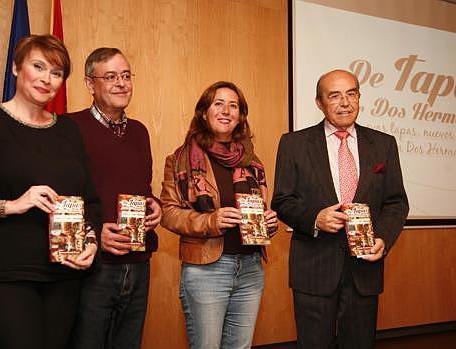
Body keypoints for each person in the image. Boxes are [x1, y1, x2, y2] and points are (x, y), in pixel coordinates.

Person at [0, 35, 100, 349]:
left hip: (65, 273)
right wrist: (13, 205)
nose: (46, 78)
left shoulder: (69, 131)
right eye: (38, 66)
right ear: (15, 67)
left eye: (56, 72)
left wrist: (91, 240)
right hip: (3, 271)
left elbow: (88, 200)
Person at [271, 69, 409, 349]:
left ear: (359, 98)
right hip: (314, 268)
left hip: (364, 271)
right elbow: (282, 201)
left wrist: (382, 238)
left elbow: (396, 202)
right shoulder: (294, 144)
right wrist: (315, 218)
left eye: (352, 93)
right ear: (319, 103)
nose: (345, 102)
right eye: (334, 96)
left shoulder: (384, 144)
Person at [160, 81, 278, 349]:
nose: (226, 110)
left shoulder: (252, 161)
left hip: (250, 269)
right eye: (218, 103)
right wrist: (209, 221)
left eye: (233, 105)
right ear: (204, 112)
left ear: (240, 116)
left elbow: (258, 209)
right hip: (206, 269)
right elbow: (167, 213)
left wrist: (268, 223)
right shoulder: (180, 159)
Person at [67, 47, 161, 349]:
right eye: (110, 76)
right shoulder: (69, 128)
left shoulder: (139, 132)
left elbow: (142, 189)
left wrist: (154, 206)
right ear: (89, 84)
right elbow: (58, 198)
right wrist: (91, 234)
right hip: (92, 266)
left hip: (139, 263)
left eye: (126, 75)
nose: (121, 83)